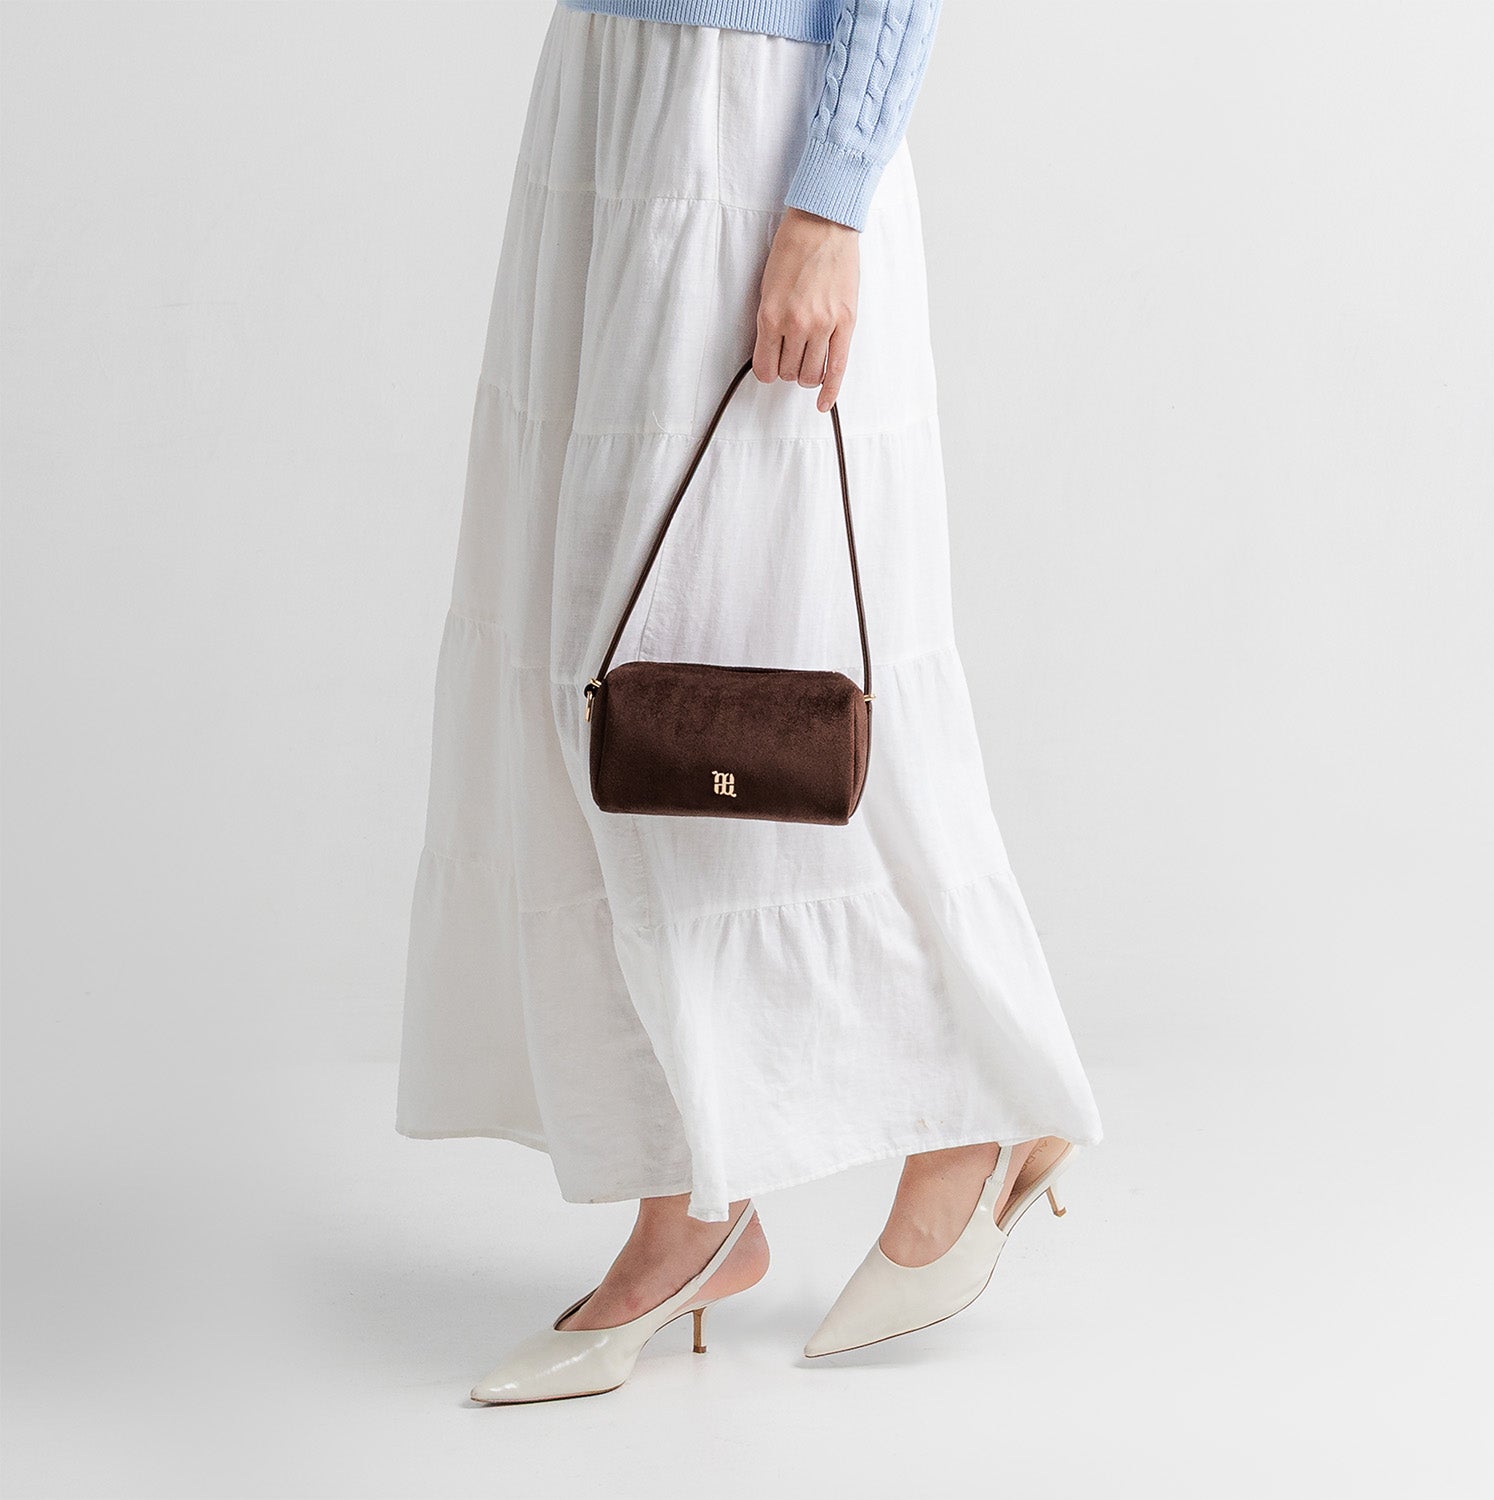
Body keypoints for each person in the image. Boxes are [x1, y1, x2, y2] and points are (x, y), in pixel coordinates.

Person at [396, 0, 1103, 1404]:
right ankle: (689, 1204)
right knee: (604, 689)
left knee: (735, 680)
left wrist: (829, 202)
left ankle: (972, 1104)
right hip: (606, 104)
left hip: (745, 127)